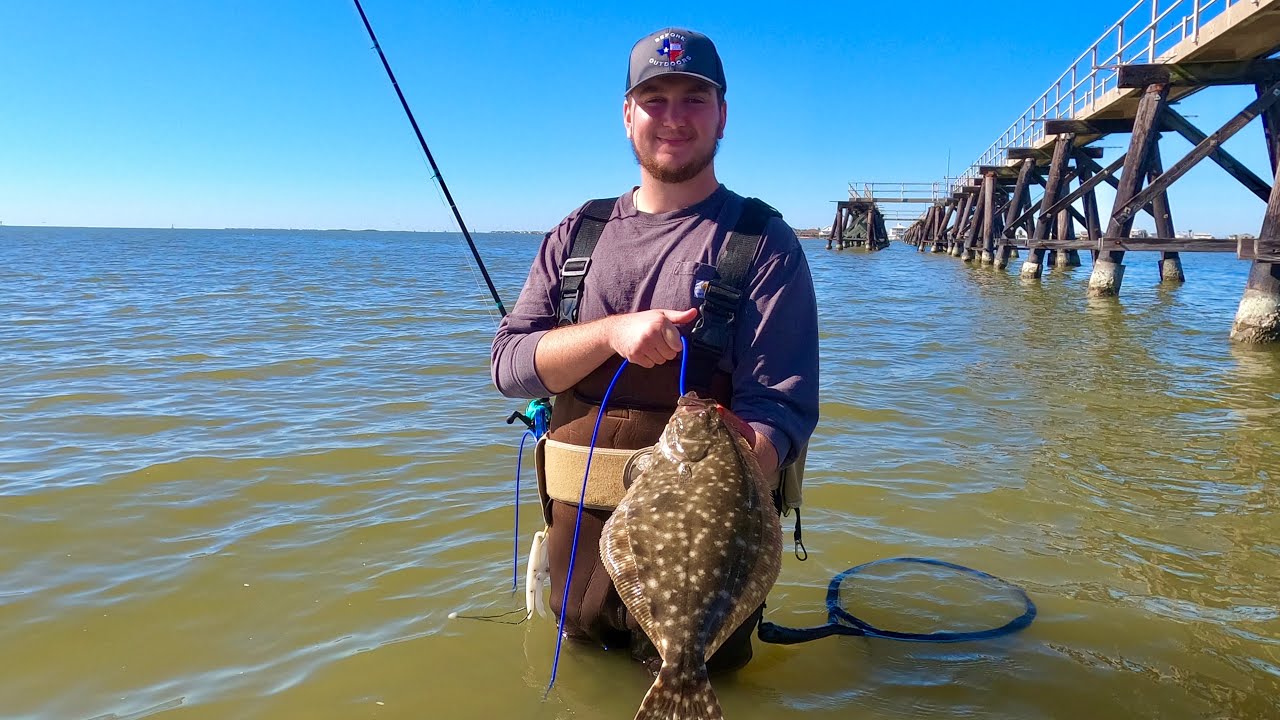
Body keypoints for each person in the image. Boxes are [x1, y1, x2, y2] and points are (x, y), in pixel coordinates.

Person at [491, 27, 819, 672]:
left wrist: (732, 462)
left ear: (723, 114)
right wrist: (611, 332)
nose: (674, 118)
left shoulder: (764, 243)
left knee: (699, 678)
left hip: (707, 572)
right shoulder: (576, 234)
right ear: (627, 115)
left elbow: (780, 408)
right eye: (655, 99)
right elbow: (509, 366)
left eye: (694, 99)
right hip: (577, 560)